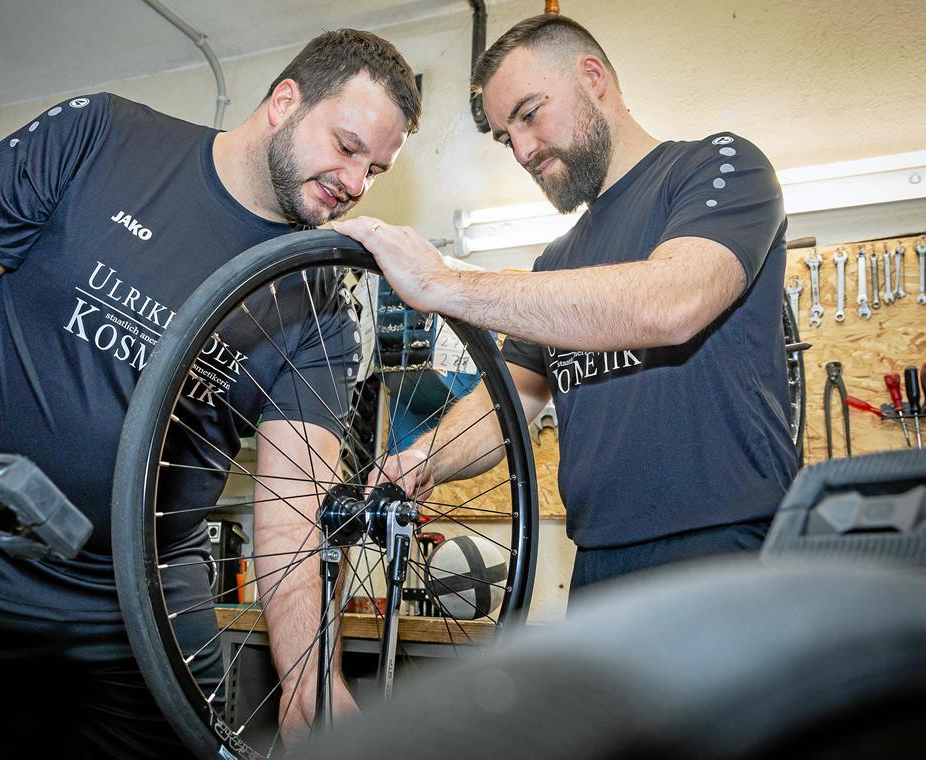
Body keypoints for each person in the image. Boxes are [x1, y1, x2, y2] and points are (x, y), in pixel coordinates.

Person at [0, 29, 420, 757]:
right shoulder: (99, 136)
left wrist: (309, 684)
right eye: (347, 147)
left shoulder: (318, 301)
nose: (355, 182)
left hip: (148, 600)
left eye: (374, 169)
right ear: (285, 102)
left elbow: (292, 508)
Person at [336, 14, 797, 593]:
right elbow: (505, 405)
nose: (523, 150)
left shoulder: (718, 167)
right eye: (506, 137)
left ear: (592, 77)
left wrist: (443, 284)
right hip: (600, 560)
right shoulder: (556, 264)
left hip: (729, 547)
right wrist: (421, 459)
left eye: (530, 114)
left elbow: (673, 303)